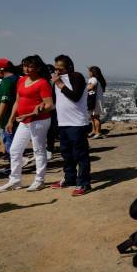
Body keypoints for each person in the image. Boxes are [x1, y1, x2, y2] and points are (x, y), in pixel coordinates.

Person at [0, 56, 53, 192]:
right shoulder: (21, 80)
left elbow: (50, 105)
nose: (26, 69)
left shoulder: (42, 83)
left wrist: (31, 114)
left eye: (30, 66)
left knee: (38, 150)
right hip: (23, 121)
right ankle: (15, 180)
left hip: (39, 120)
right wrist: (11, 120)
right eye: (24, 66)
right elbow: (18, 100)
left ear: (38, 68)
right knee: (15, 150)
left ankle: (39, 180)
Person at [49, 55, 92, 196]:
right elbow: (57, 102)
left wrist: (59, 84)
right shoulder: (57, 81)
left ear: (69, 68)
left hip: (77, 123)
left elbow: (75, 96)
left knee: (80, 155)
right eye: (55, 69)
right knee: (66, 154)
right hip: (63, 123)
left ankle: (84, 183)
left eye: (60, 69)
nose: (57, 72)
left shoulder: (76, 77)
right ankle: (70, 178)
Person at [0, 59, 19, 162]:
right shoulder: (17, 78)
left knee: (10, 143)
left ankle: (14, 165)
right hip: (15, 116)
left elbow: (4, 101)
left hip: (7, 118)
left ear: (1, 70)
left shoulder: (6, 81)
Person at [87, 66, 107, 140]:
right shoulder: (98, 80)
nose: (88, 73)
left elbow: (90, 87)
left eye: (89, 71)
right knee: (93, 117)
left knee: (95, 117)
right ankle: (94, 131)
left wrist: (82, 90)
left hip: (94, 101)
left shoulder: (93, 79)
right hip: (96, 100)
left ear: (92, 72)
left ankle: (98, 132)